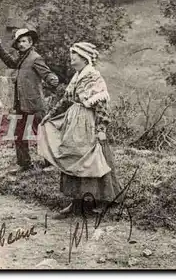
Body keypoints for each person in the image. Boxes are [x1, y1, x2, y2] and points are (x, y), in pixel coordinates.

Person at [38, 42, 123, 219]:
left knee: (89, 159)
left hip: (87, 123)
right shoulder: (77, 75)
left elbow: (101, 105)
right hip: (74, 122)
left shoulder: (93, 76)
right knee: (72, 157)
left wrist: (101, 129)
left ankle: (91, 202)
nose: (72, 57)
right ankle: (76, 202)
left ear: (84, 57)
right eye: (72, 54)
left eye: (75, 54)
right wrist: (50, 115)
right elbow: (65, 100)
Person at [0, 28, 60, 172]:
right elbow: (11, 63)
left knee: (41, 133)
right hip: (21, 103)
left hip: (35, 103)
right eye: (19, 42)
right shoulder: (22, 58)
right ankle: (24, 164)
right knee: (19, 133)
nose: (21, 44)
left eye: (24, 41)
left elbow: (46, 73)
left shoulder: (35, 58)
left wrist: (52, 80)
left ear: (30, 42)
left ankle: (50, 163)